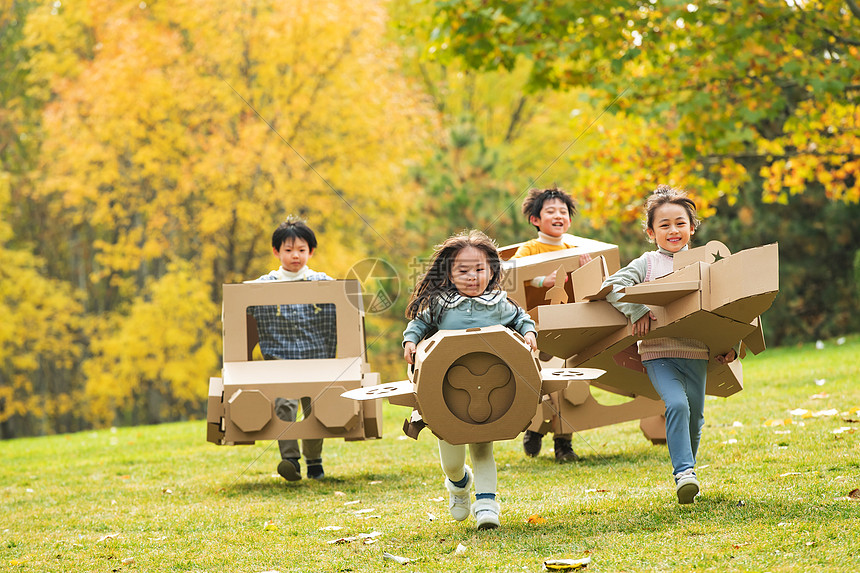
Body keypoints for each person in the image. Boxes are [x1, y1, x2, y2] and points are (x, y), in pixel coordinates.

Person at [601, 185, 737, 504]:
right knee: (675, 404)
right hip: (658, 353)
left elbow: (730, 308)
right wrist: (637, 310)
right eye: (664, 225)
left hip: (698, 353)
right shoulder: (647, 264)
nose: (673, 230)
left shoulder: (708, 265)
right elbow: (612, 285)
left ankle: (687, 467)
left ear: (692, 227)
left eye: (680, 223)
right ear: (651, 232)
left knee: (695, 416)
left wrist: (732, 345)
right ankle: (685, 473)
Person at [402, 230, 538, 530]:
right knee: (452, 460)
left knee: (482, 447)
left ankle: (487, 505)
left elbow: (522, 319)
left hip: (488, 391)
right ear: (449, 274)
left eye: (479, 269)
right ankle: (459, 484)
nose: (472, 276)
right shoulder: (439, 304)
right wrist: (410, 342)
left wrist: (529, 333)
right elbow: (418, 323)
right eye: (463, 270)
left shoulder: (499, 303)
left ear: (492, 271)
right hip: (446, 394)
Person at [247, 217, 336, 482]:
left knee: (315, 408)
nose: (295, 255)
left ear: (311, 252)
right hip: (280, 358)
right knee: (284, 405)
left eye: (301, 250)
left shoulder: (322, 281)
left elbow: (344, 306)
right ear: (276, 252)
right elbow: (241, 306)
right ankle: (290, 461)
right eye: (288, 250)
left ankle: (314, 462)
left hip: (316, 357)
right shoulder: (264, 284)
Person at [511, 186, 591, 462]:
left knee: (568, 384)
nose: (559, 216)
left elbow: (586, 283)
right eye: (551, 211)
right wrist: (539, 280)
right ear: (535, 220)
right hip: (535, 325)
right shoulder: (530, 248)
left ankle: (564, 443)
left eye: (564, 211)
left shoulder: (575, 248)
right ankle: (535, 428)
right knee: (537, 382)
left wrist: (586, 268)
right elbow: (516, 274)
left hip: (566, 324)